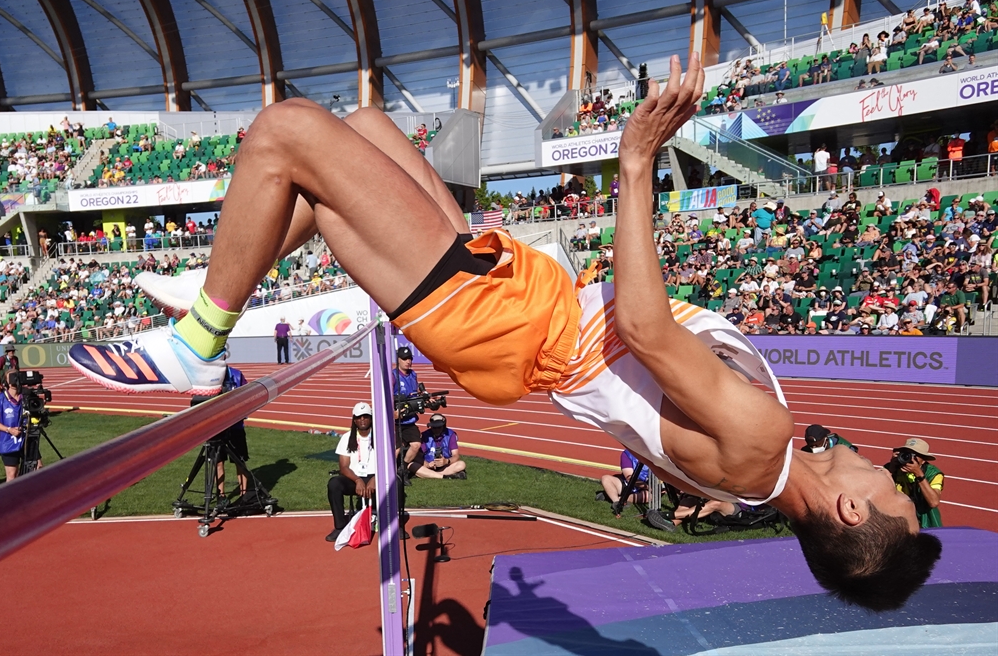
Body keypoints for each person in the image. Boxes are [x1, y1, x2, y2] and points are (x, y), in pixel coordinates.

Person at [71, 56, 940, 610]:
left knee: (285, 131)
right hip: (524, 298)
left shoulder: (765, 443)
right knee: (369, 128)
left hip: (511, 320)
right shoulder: (762, 465)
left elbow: (639, 323)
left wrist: (635, 163)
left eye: (891, 489)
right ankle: (226, 270)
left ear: (849, 507)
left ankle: (199, 337)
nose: (889, 467)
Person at [326, 402, 377, 542]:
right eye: (359, 417)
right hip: (355, 479)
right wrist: (357, 480)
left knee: (397, 483)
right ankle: (339, 527)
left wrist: (376, 478)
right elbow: (343, 467)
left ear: (371, 418)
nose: (362, 420)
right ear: (354, 419)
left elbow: (388, 462)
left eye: (366, 416)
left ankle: (395, 526)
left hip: (377, 477)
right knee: (334, 483)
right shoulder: (347, 437)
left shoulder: (380, 436)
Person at [884, 438, 943, 528]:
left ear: (923, 460)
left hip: (924, 521)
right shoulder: (892, 468)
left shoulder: (933, 474)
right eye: (905, 453)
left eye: (914, 455)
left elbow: (934, 502)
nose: (909, 458)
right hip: (899, 517)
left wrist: (919, 474)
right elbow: (876, 489)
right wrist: (891, 468)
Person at [215, 366, 250, 499]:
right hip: (217, 427)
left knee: (240, 461)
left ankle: (244, 494)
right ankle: (221, 496)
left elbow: (247, 394)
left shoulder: (236, 374)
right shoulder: (208, 377)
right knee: (218, 462)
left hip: (236, 426)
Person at [392, 346, 423, 481]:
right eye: (404, 359)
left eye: (410, 358)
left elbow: (416, 392)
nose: (408, 361)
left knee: (416, 444)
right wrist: (393, 411)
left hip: (409, 418)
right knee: (396, 449)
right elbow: (386, 396)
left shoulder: (413, 374)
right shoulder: (393, 376)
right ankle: (391, 475)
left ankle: (402, 470)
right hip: (396, 420)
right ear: (398, 360)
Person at [406, 413, 466, 480]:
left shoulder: (451, 435)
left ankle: (429, 474)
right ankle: (443, 476)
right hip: (429, 465)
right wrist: (427, 464)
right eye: (434, 427)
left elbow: (456, 456)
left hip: (445, 465)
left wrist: (446, 461)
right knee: (411, 465)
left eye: (439, 427)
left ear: (444, 426)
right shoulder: (424, 435)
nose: (436, 430)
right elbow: (418, 455)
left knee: (461, 464)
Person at [0, 379, 25, 481]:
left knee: (38, 469)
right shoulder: (0, 399)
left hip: (27, 439)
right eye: (12, 377)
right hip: (8, 443)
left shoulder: (25, 397)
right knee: (12, 475)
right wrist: (9, 429)